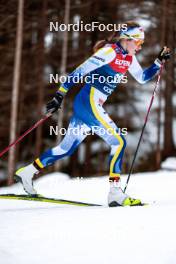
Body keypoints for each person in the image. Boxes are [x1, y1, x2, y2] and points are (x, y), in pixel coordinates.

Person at [15, 21, 170, 206]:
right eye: (138, 42)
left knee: (66, 148)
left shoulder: (128, 58)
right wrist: (59, 96)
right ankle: (115, 194)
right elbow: (78, 72)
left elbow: (143, 78)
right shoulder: (109, 52)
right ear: (127, 39)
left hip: (88, 105)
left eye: (141, 43)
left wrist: (158, 62)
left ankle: (27, 172)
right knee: (119, 141)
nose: (140, 46)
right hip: (89, 102)